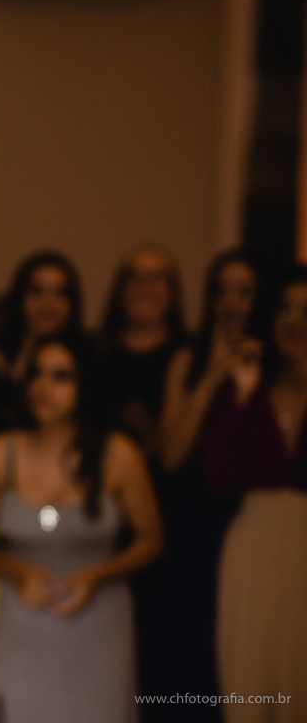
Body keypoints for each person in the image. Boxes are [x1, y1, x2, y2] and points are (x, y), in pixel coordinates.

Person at [0, 333, 163, 723]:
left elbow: (152, 538)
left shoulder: (119, 454)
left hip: (100, 617)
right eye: (36, 374)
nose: (43, 386)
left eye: (61, 376)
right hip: (23, 615)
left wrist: (98, 574)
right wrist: (16, 570)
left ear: (85, 385)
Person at [138, 249, 258, 721]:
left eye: (243, 291)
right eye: (221, 290)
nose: (230, 301)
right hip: (189, 526)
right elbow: (170, 454)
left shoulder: (274, 360)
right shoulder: (186, 358)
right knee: (183, 663)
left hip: (247, 523)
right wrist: (211, 376)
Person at [203, 264, 307, 723]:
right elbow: (217, 477)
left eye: (306, 310)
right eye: (285, 308)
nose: (294, 320)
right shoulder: (246, 387)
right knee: (250, 678)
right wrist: (241, 397)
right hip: (254, 539)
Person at [98, 244, 188, 457]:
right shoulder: (95, 353)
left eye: (156, 277)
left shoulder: (191, 356)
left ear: (173, 292)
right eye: (134, 277)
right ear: (120, 289)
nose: (143, 286)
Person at [0, 251, 84, 387]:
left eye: (59, 293)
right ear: (20, 298)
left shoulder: (89, 362)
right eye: (37, 291)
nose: (48, 304)